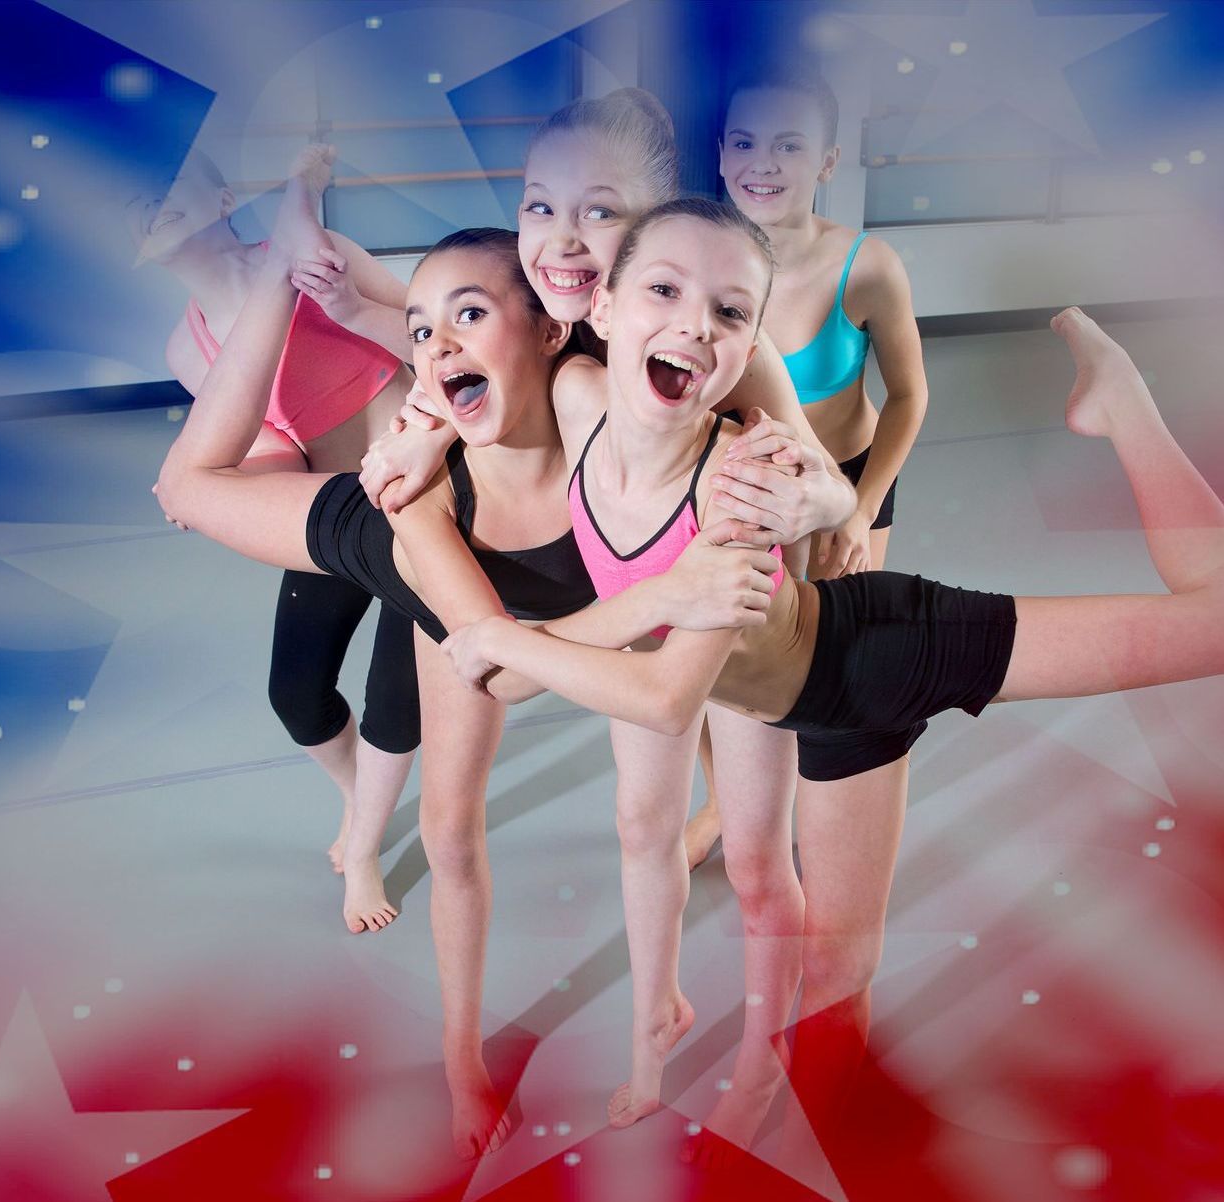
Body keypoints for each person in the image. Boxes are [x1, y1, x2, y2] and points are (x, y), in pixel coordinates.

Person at [437, 198, 1224, 1150]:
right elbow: (468, 351)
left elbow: (665, 695)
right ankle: (795, 1110)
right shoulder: (580, 399)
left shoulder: (738, 488)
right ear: (601, 311)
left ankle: (1123, 403)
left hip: (876, 661)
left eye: (729, 312)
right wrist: (417, 435)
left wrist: (513, 643)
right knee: (827, 951)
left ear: (749, 348)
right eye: (665, 291)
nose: (691, 323)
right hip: (794, 688)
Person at [154, 161, 821, 1157]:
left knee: (702, 828)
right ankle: (463, 1058)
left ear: (557, 329)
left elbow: (734, 344)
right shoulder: (416, 496)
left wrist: (805, 519)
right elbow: (498, 669)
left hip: (592, 592)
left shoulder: (607, 391)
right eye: (420, 331)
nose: (433, 348)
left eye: (464, 317)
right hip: (459, 584)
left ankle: (752, 1036)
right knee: (448, 822)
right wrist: (275, 280)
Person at [363, 90, 860, 1143]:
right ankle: (626, 1028)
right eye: (541, 207)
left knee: (759, 854)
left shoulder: (710, 332)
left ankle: (773, 1048)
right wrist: (419, 431)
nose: (561, 239)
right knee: (628, 821)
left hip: (718, 605)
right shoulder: (531, 289)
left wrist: (827, 506)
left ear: (656, 224)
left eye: (599, 214)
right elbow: (445, 334)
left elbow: (823, 491)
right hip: (597, 587)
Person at [130, 145, 418, 921]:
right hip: (335, 522)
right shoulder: (183, 348)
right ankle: (363, 800)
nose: (156, 201)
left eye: (171, 185)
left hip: (426, 506)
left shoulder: (326, 258)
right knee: (295, 694)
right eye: (140, 203)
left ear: (224, 194)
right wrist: (208, 489)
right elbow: (271, 452)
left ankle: (363, 852)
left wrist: (351, 306)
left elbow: (439, 345)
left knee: (398, 701)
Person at [677, 61, 933, 864]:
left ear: (827, 162)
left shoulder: (868, 266)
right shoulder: (690, 257)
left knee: (828, 664)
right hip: (736, 494)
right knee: (723, 668)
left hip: (844, 487)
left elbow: (909, 397)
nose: (764, 162)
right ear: (719, 153)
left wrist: (858, 509)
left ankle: (833, 820)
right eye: (746, 141)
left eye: (790, 145)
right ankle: (727, 805)